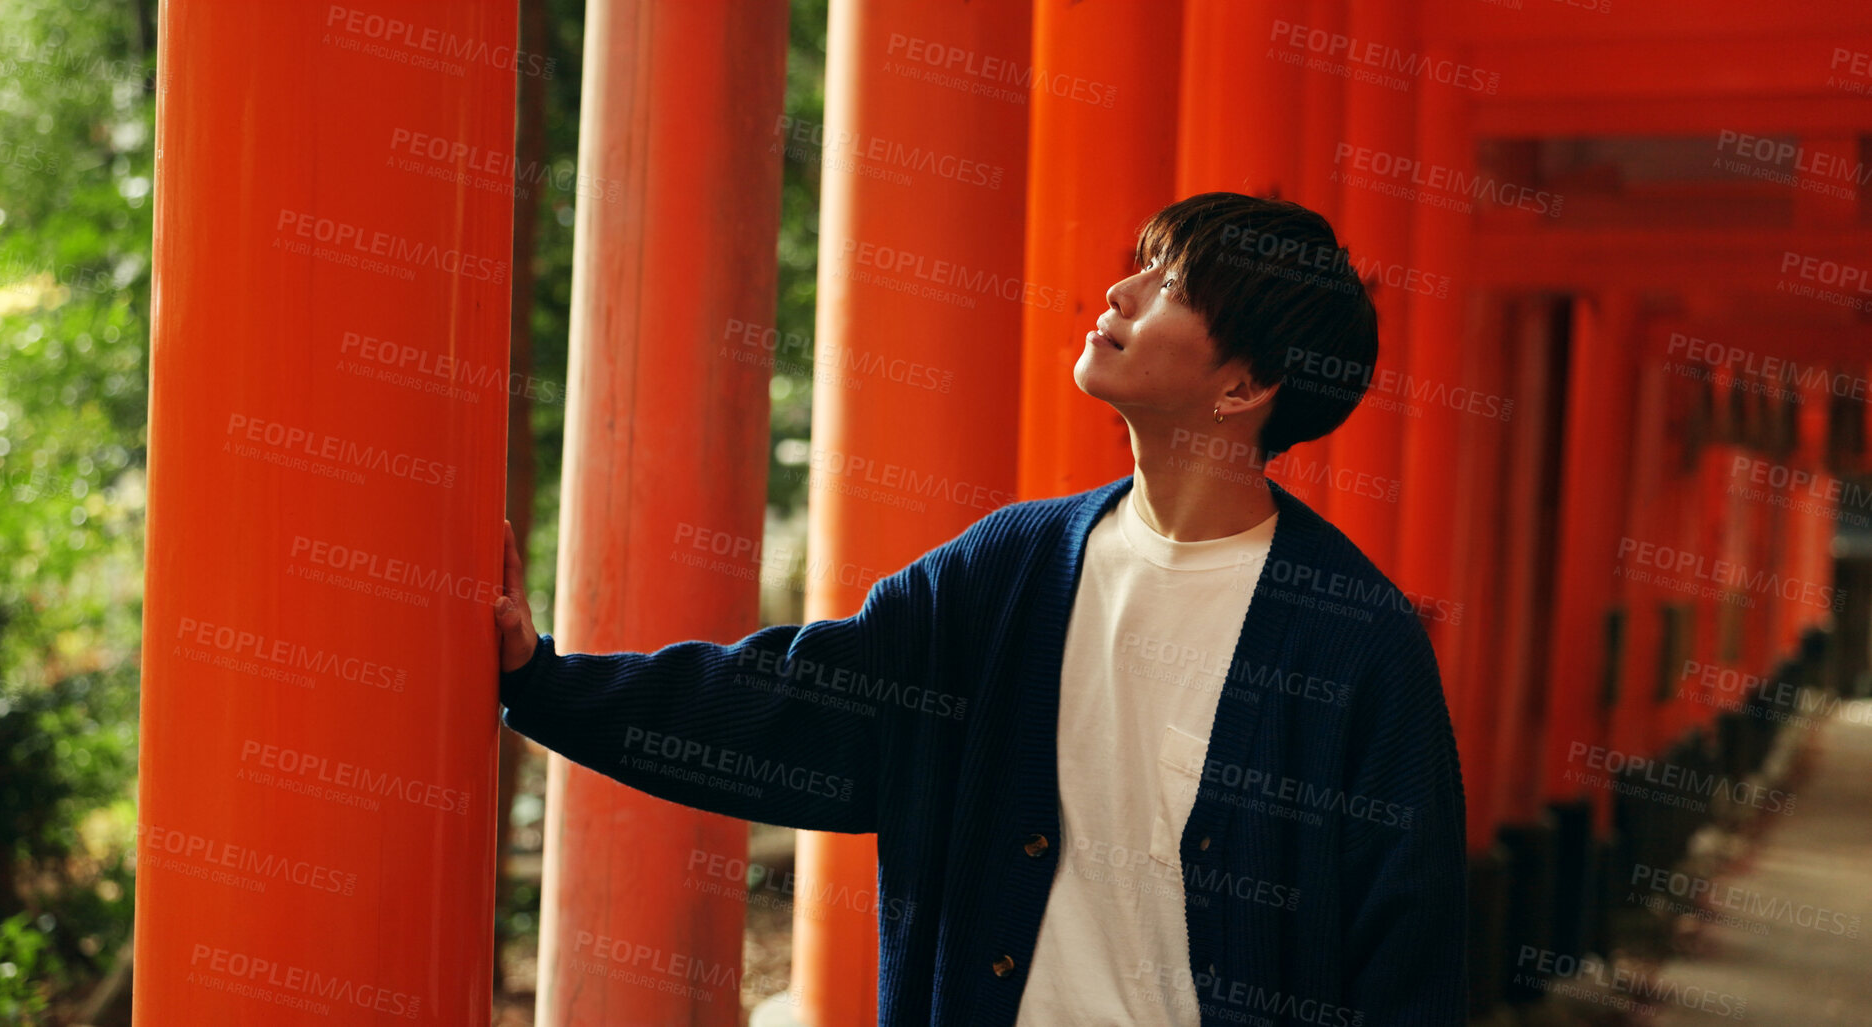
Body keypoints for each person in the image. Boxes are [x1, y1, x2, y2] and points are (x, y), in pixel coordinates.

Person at [494, 191, 1468, 1027]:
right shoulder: (1010, 570)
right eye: (1143, 267)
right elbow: (797, 704)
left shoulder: (1354, 639)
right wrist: (543, 682)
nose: (1121, 292)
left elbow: (1406, 944)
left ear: (1245, 386)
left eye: (1169, 285)